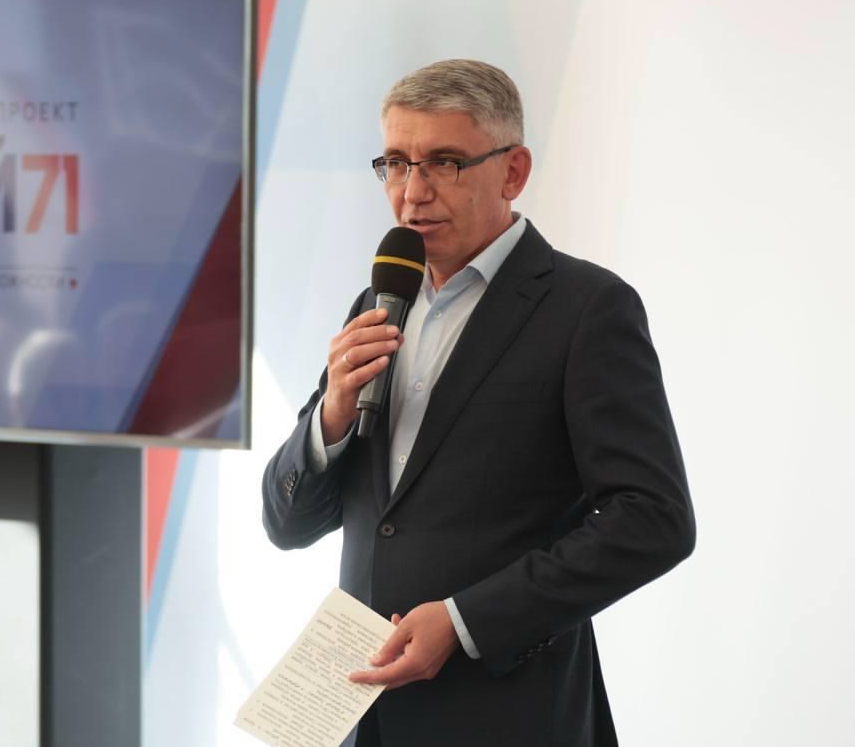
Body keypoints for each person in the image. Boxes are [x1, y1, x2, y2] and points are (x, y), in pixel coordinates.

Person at [261, 59, 696, 747]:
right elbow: (287, 524)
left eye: (444, 163)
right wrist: (330, 417)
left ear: (513, 171)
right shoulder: (377, 303)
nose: (413, 193)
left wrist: (465, 621)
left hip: (508, 716)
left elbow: (654, 519)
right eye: (396, 164)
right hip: (362, 719)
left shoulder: (587, 308)